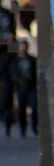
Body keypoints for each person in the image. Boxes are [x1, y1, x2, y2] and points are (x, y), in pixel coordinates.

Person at [12, 40, 37, 137]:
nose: (23, 48)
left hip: (31, 88)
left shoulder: (32, 60)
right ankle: (23, 130)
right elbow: (13, 74)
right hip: (21, 89)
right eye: (22, 46)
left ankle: (34, 128)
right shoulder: (16, 61)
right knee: (21, 110)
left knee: (34, 108)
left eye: (25, 46)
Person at [0, 0, 15, 138]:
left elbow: (13, 36)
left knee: (7, 93)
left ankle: (8, 126)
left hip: (6, 58)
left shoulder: (7, 14)